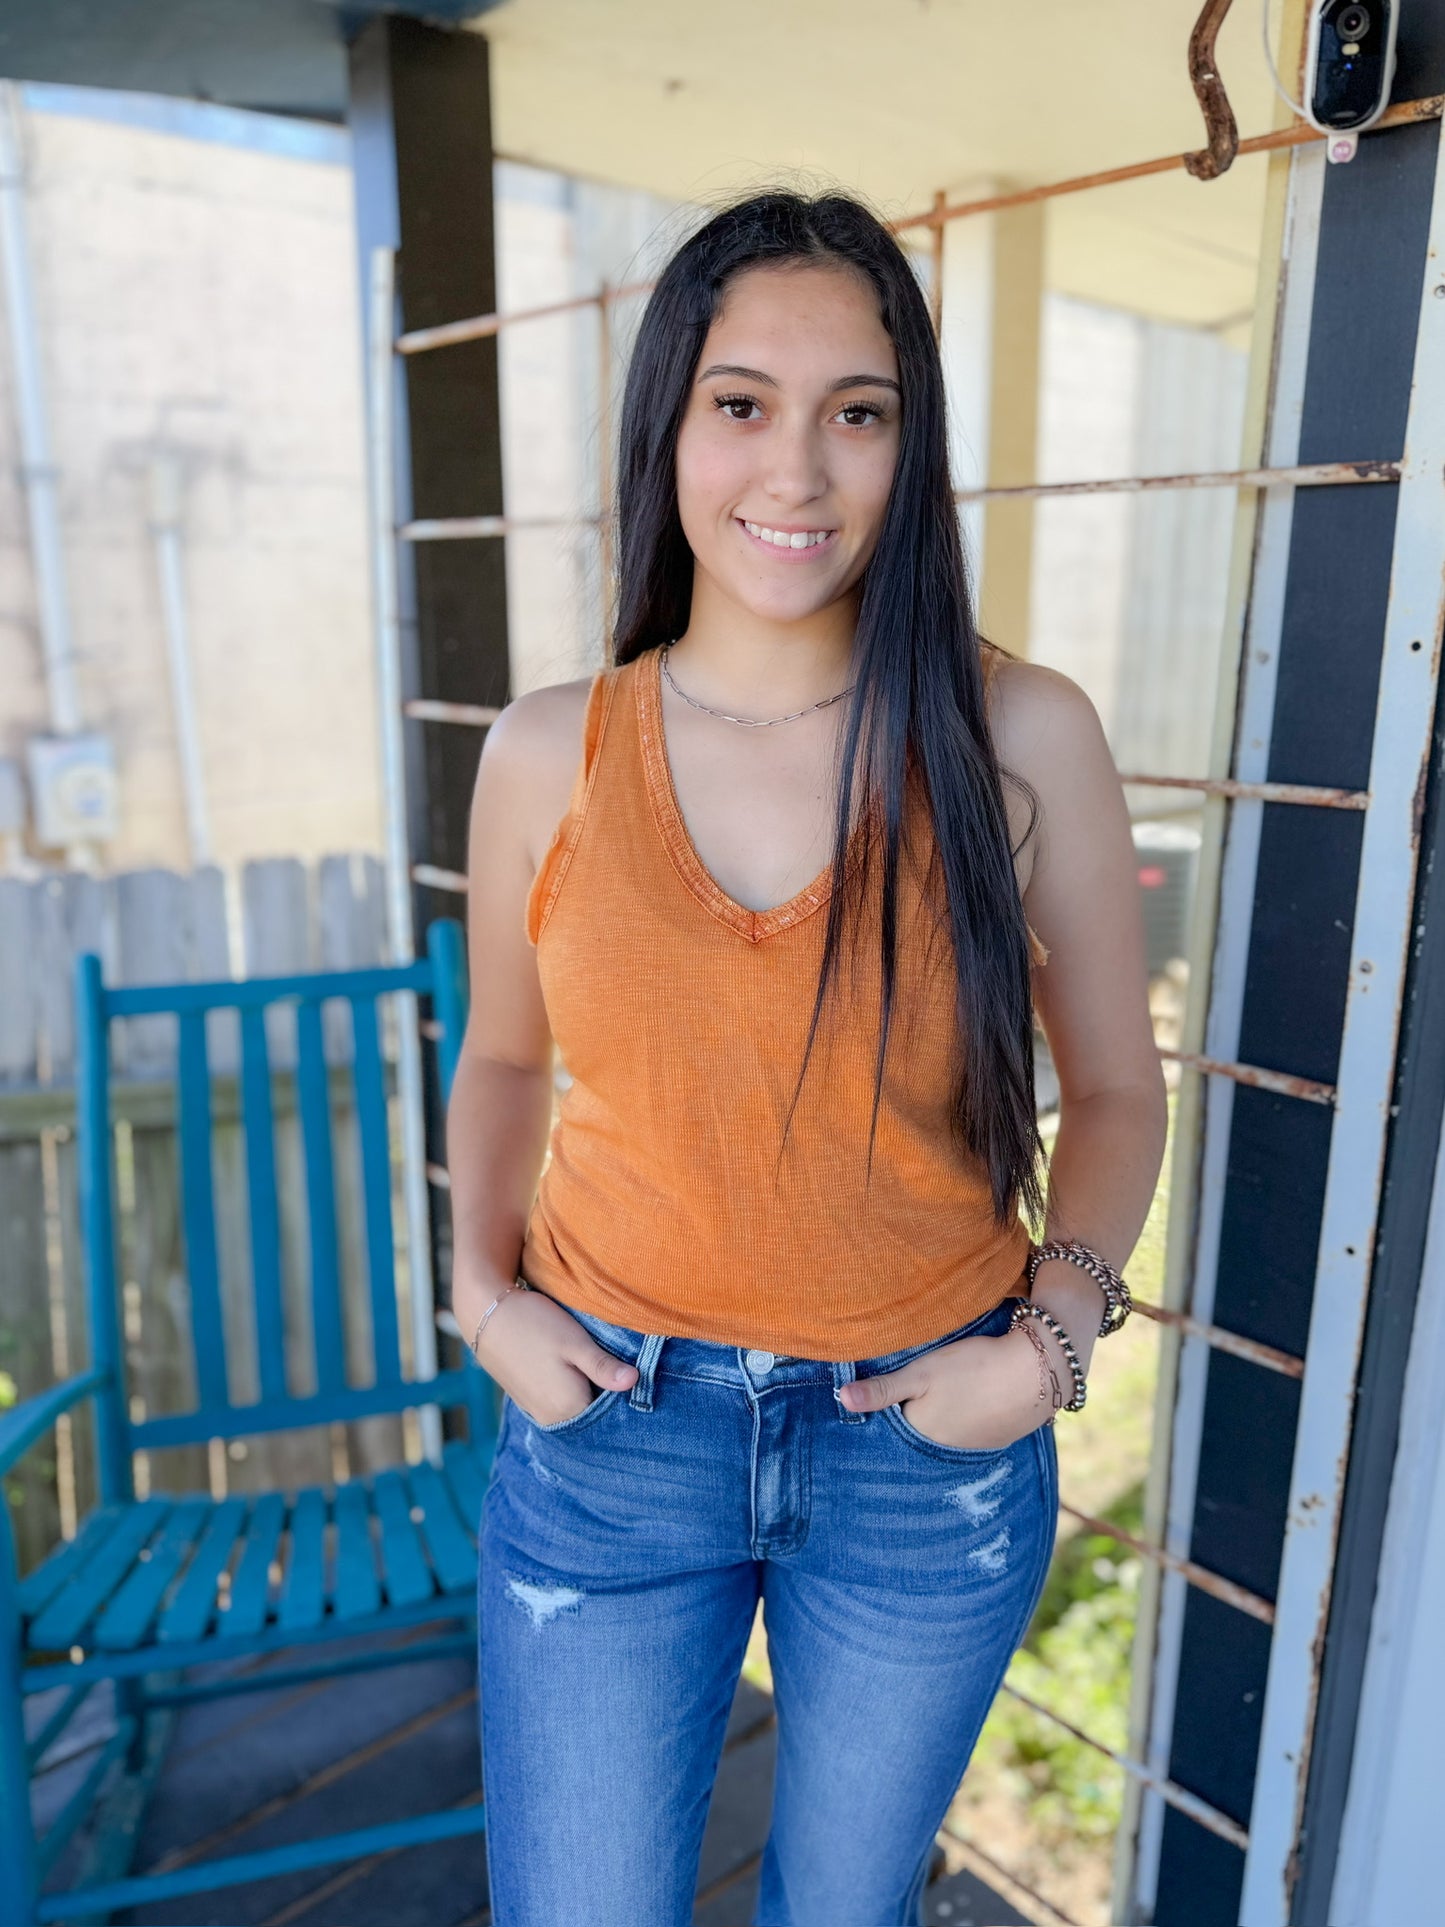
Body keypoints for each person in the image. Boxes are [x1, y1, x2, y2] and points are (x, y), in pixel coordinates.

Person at [446, 188, 1167, 1927]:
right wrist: (479, 1293)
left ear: (908, 449)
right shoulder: (552, 751)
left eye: (859, 411)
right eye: (741, 403)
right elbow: (501, 1062)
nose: (799, 470)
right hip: (614, 1428)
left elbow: (1120, 1090)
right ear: (668, 427)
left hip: (921, 1441)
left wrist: (1051, 1343)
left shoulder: (1017, 732)